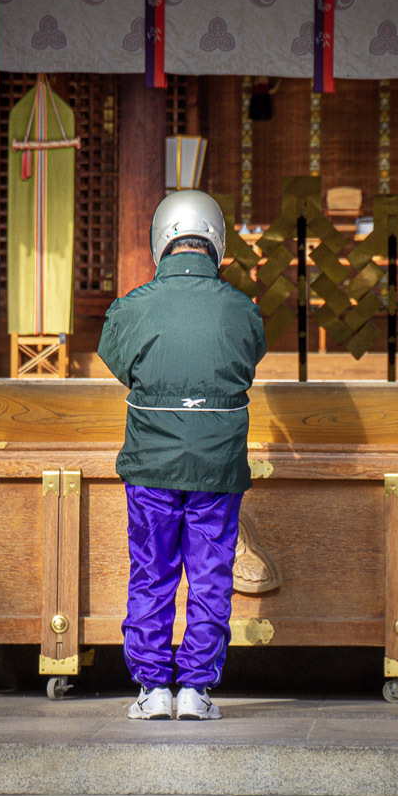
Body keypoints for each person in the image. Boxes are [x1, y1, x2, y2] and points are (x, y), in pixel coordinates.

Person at [98, 190, 267, 720]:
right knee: (211, 572)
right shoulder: (243, 309)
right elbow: (248, 361)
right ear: (216, 241)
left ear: (161, 240)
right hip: (217, 465)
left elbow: (119, 363)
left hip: (151, 462)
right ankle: (196, 688)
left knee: (152, 572)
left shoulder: (131, 307)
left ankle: (152, 688)